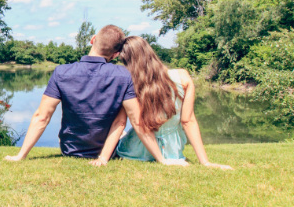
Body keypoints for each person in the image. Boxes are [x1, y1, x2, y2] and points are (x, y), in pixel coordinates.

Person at [5, 25, 185, 165]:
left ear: (92, 40)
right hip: (108, 150)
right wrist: (162, 160)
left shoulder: (61, 72)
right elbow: (134, 121)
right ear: (115, 54)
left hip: (70, 150)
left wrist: (21, 155)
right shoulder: (123, 75)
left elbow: (41, 117)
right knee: (122, 131)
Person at [92, 36, 232, 169]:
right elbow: (188, 121)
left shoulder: (130, 85)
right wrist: (205, 162)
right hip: (172, 152)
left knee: (123, 133)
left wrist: (103, 157)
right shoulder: (182, 77)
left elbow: (121, 123)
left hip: (135, 151)